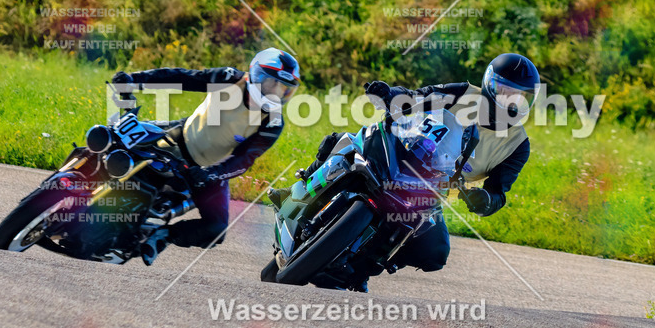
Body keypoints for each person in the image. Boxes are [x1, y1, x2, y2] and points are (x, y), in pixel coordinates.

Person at [270, 53, 538, 287]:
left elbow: (498, 192)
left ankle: (361, 269)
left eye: (520, 96)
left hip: (434, 188)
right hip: (406, 149)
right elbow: (418, 96)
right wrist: (390, 93)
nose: (511, 102)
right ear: (490, 85)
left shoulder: (518, 145)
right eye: (505, 91)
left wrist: (486, 201)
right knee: (340, 141)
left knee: (435, 252)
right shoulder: (464, 93)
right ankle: (295, 195)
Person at [112, 48, 300, 265]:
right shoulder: (229, 79)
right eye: (271, 84)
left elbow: (244, 160)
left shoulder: (273, 123)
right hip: (176, 138)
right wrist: (135, 80)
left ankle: (162, 237)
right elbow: (183, 78)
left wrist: (211, 174)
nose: (275, 92)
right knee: (117, 137)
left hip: (207, 170)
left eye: (284, 88)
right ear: (256, 75)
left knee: (216, 228)